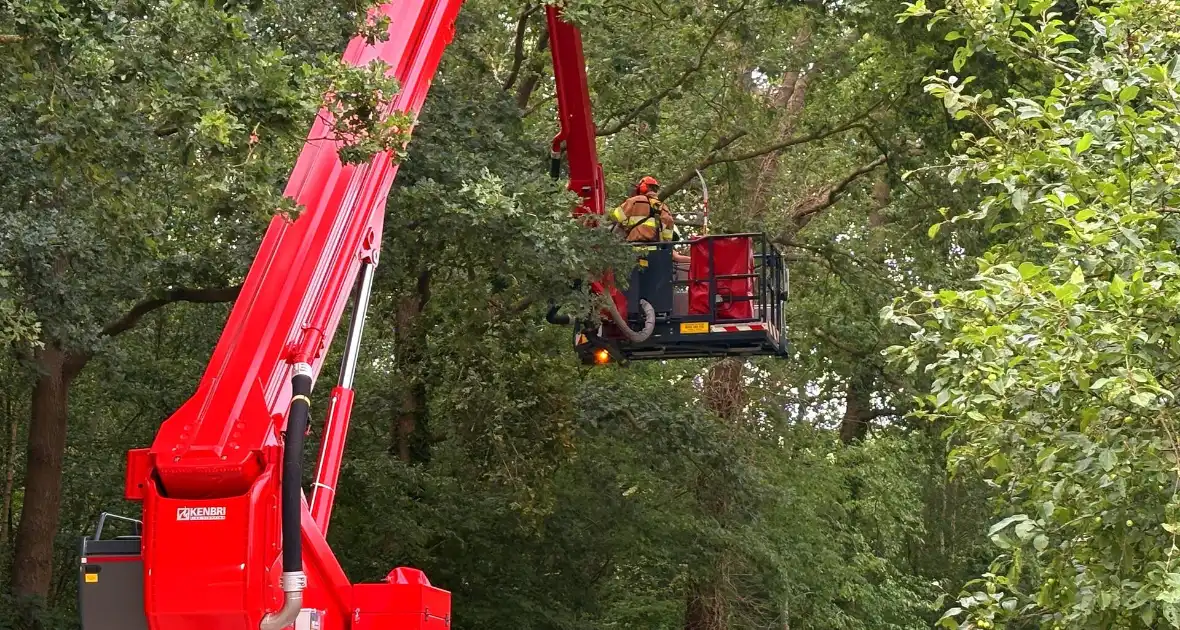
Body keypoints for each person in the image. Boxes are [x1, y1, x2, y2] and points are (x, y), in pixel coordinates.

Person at [608, 176, 690, 262]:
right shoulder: (664, 208)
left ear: (643, 187)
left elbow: (615, 216)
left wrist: (624, 224)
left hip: (635, 250)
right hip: (656, 253)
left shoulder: (635, 201)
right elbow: (667, 237)